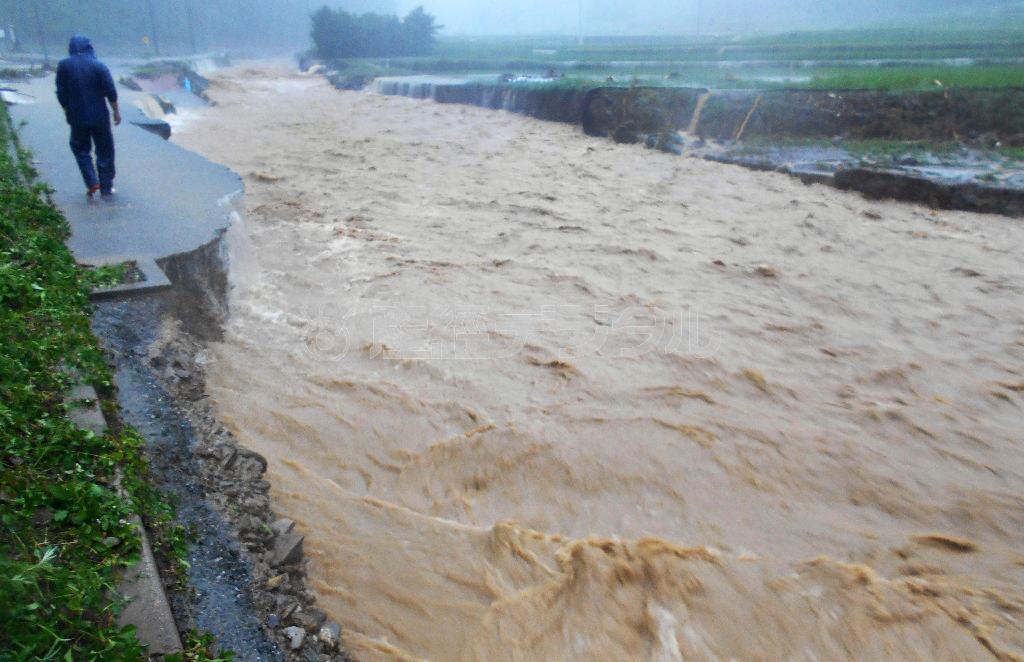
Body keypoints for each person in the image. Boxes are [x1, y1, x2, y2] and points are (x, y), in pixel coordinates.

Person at [56, 36, 121, 198]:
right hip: (99, 115)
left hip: (77, 116)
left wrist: (66, 110)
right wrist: (116, 112)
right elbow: (110, 91)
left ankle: (92, 181)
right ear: (89, 47)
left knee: (80, 148)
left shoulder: (64, 66)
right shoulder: (98, 65)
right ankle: (106, 187)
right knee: (105, 150)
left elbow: (61, 92)